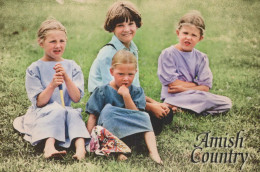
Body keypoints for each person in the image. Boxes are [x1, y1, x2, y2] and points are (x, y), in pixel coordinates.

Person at [87, 1, 173, 135]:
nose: (127, 29)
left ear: (137, 24)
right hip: (107, 103)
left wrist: (154, 103)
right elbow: (114, 91)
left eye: (131, 24)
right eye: (121, 25)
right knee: (154, 121)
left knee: (166, 113)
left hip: (125, 96)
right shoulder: (108, 53)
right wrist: (150, 107)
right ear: (112, 28)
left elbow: (132, 89)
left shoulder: (132, 49)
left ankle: (137, 122)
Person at [13, 19, 90, 160]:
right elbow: (40, 102)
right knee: (56, 109)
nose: (58, 45)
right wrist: (52, 85)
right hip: (43, 112)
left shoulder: (72, 66)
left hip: (65, 110)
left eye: (62, 41)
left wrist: (67, 78)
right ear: (41, 43)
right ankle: (49, 147)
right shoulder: (34, 69)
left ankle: (80, 150)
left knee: (72, 113)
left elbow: (76, 98)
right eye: (52, 41)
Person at [86, 50, 163, 164]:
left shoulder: (137, 91)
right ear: (112, 72)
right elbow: (93, 117)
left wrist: (127, 96)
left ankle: (154, 152)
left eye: (130, 74)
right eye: (120, 74)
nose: (126, 78)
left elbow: (136, 115)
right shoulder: (102, 91)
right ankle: (118, 152)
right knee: (108, 110)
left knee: (145, 116)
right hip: (108, 134)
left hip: (132, 133)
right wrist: (88, 140)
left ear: (135, 72)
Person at [157, 11, 232, 115]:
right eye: (185, 33)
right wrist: (196, 85)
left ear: (200, 38)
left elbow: (205, 87)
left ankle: (183, 109)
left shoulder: (201, 58)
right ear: (178, 33)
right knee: (202, 98)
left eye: (194, 35)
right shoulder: (168, 54)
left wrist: (185, 88)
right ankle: (176, 105)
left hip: (193, 95)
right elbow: (173, 84)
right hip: (174, 96)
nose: (188, 38)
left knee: (226, 103)